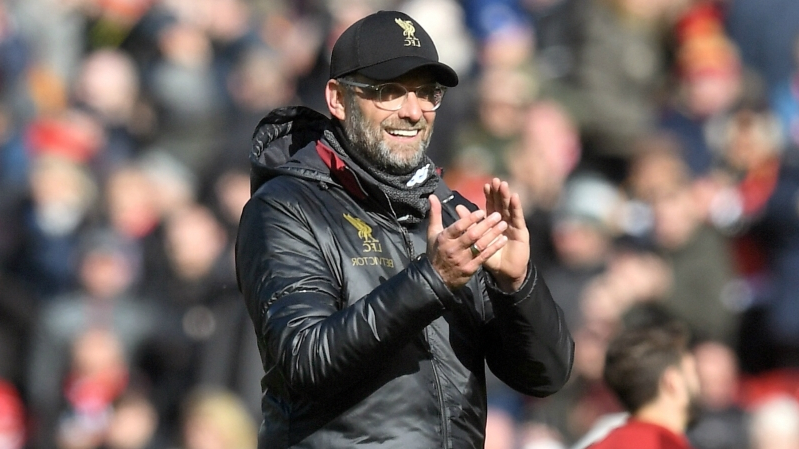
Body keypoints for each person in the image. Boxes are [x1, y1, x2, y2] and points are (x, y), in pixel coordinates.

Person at [234, 10, 575, 449]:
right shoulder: (285, 206)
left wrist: (518, 286)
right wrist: (432, 280)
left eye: (426, 93)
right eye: (389, 92)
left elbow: (546, 376)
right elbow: (304, 361)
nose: (413, 112)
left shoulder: (452, 212)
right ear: (337, 98)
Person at [587, 321, 700, 449]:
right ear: (673, 382)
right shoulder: (666, 445)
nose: (699, 385)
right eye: (694, 373)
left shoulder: (600, 445)